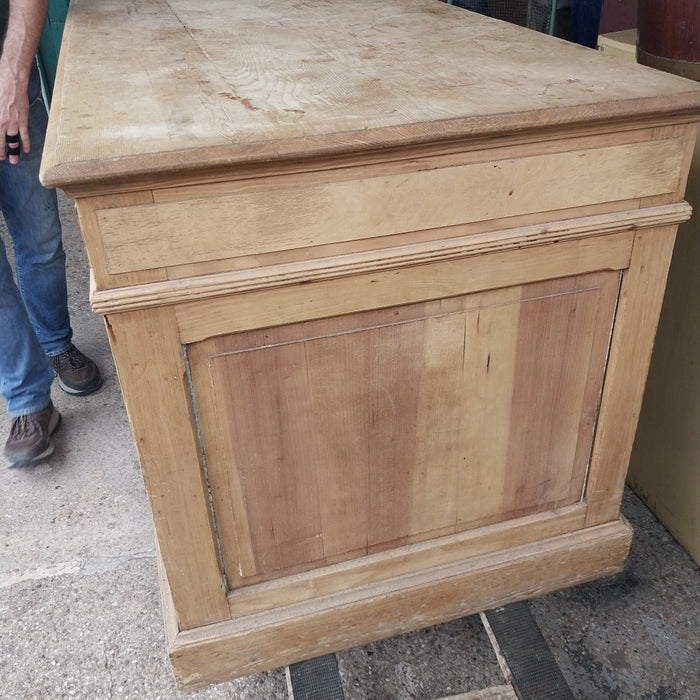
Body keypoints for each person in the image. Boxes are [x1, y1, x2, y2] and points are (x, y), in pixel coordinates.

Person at [0, 0, 101, 467]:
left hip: (8, 91)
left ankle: (56, 345)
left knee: (40, 241)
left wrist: (14, 78)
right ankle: (28, 402)